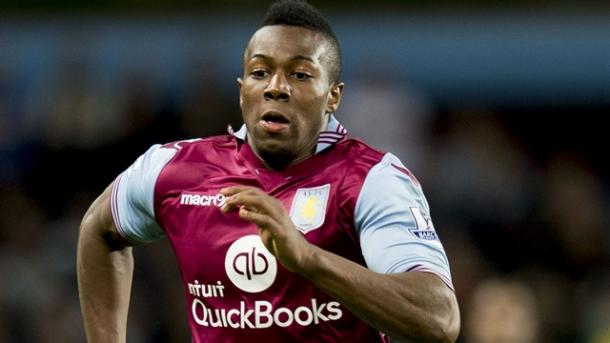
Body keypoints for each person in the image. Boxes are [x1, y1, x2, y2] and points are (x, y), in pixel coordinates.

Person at [77, 0, 460, 342]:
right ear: (242, 89)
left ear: (333, 96)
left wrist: (308, 259)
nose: (276, 88)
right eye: (260, 72)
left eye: (300, 74)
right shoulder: (173, 169)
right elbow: (98, 230)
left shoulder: (371, 180)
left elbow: (438, 319)